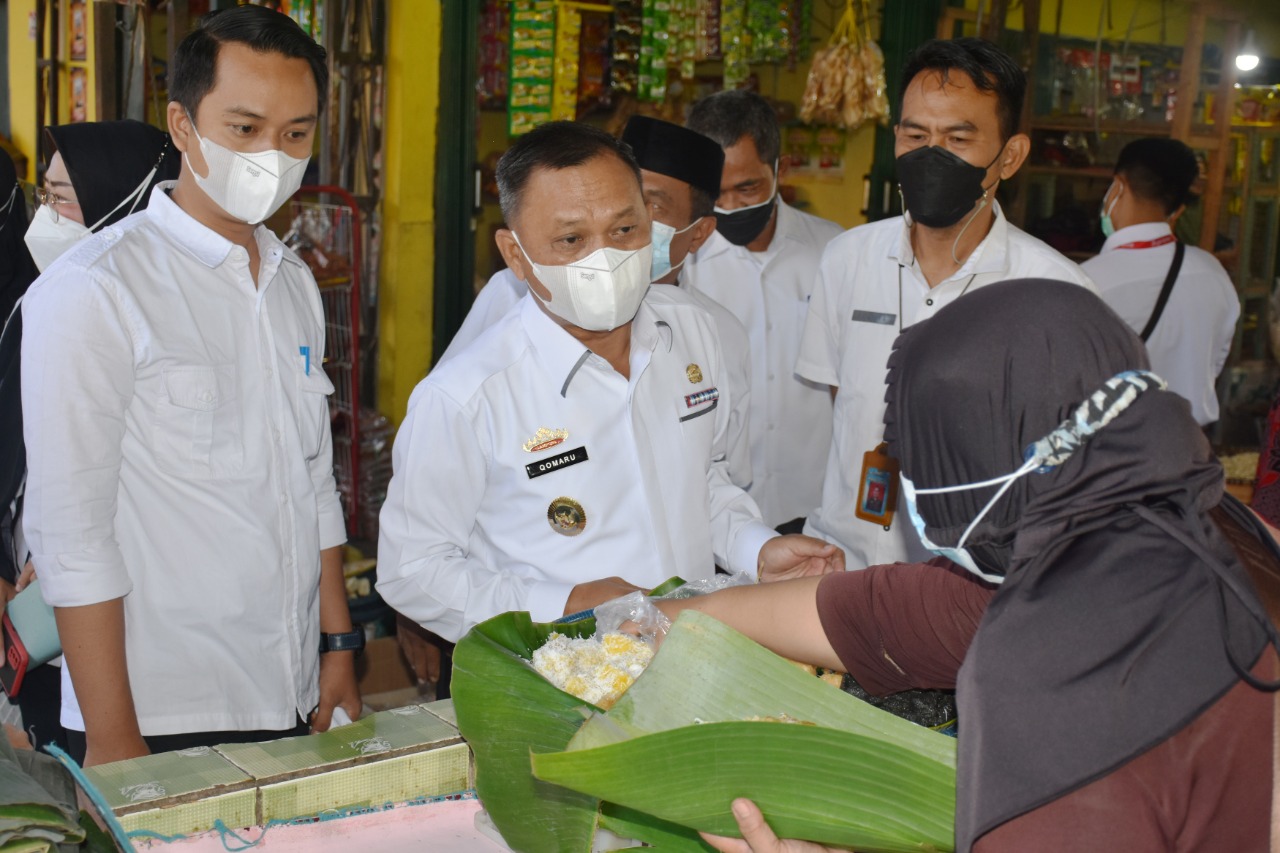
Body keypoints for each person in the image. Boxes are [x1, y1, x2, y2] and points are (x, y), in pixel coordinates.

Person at [653, 280, 1277, 852]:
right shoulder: (1218, 529)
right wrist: (661, 615)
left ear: (979, 470)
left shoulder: (1052, 681)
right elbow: (882, 613)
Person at [21, 5, 360, 768]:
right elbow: (72, 533)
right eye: (244, 128)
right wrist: (114, 736)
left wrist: (338, 643)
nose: (272, 154)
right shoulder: (96, 290)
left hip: (288, 681)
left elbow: (312, 481)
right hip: (157, 703)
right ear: (183, 125)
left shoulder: (294, 283)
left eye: (296, 133)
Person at [376, 121, 842, 645]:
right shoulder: (465, 396)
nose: (605, 258)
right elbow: (412, 570)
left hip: (690, 652)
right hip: (554, 673)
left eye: (624, 230)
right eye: (571, 239)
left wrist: (756, 547)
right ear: (514, 255)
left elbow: (704, 480)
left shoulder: (693, 332)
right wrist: (563, 604)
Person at [797, 38, 1095, 570]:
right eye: (916, 136)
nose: (931, 155)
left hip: (970, 586)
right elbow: (844, 407)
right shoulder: (847, 259)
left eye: (958, 138)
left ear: (1010, 156)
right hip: (842, 564)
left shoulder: (1055, 290)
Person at [439, 116, 753, 489]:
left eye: (649, 206)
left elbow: (718, 472)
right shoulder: (517, 292)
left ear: (698, 233)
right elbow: (451, 434)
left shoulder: (710, 329)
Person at [2, 120, 179, 753]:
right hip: (42, 615)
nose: (44, 218)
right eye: (42, 196)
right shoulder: (38, 306)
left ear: (119, 197)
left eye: (60, 199)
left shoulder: (164, 320)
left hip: (146, 627)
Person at [683, 90, 842, 530]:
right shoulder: (683, 263)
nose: (730, 206)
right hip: (718, 513)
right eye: (716, 192)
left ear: (780, 168)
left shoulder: (834, 250)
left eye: (747, 188)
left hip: (815, 501)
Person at [1083, 137, 1237, 427]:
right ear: (1177, 208)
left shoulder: (1087, 279)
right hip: (1190, 443)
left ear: (1118, 187)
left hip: (1112, 445)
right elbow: (1215, 363)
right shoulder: (1213, 273)